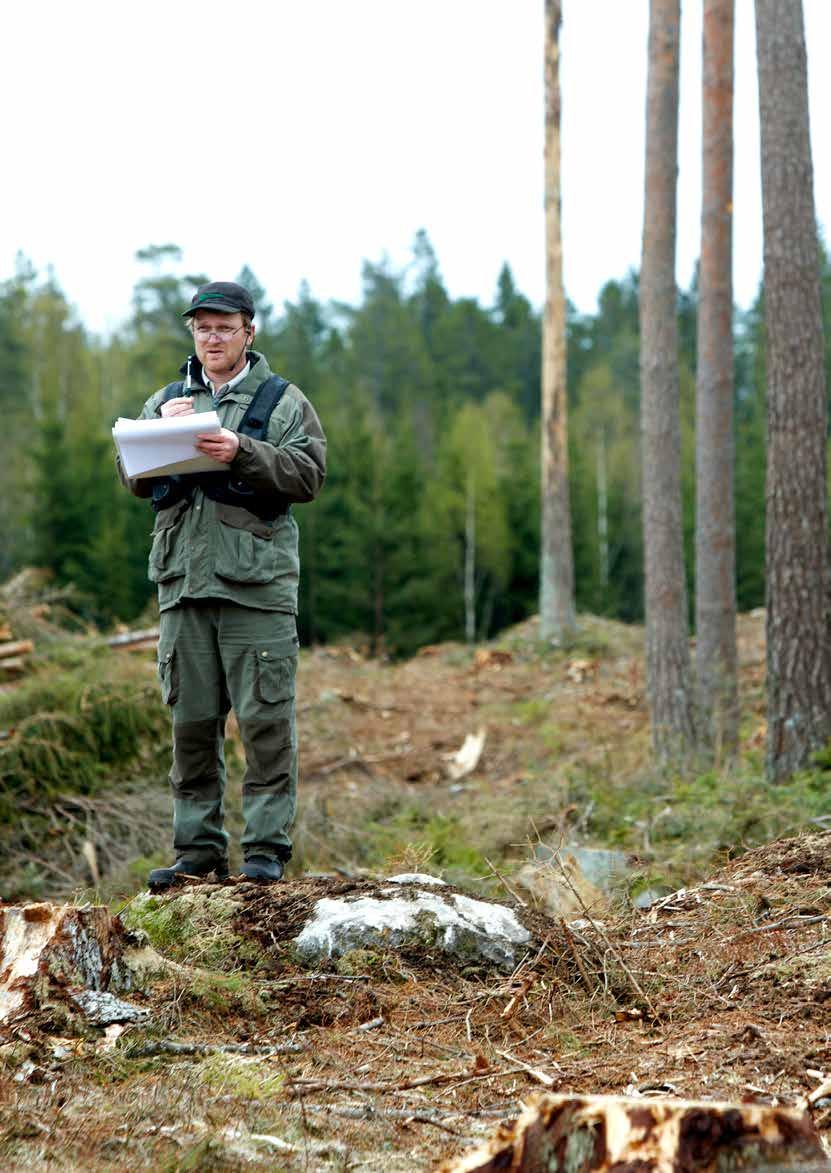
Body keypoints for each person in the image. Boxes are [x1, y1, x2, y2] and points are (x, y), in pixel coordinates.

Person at [117, 281, 326, 888]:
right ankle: (197, 854)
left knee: (265, 726)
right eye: (203, 327)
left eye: (224, 327)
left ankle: (265, 851)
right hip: (182, 587)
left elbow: (309, 474)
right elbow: (133, 479)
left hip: (256, 590)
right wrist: (155, 429)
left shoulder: (283, 401)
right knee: (191, 729)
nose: (212, 337)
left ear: (248, 332)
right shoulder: (168, 398)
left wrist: (241, 450)